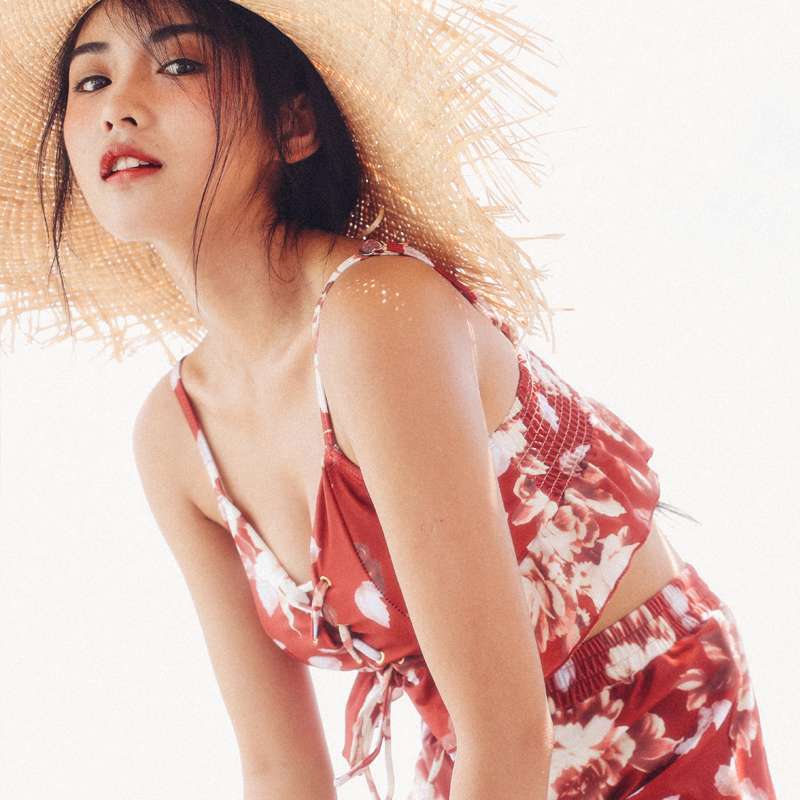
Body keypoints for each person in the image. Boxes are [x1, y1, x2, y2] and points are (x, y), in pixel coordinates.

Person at [0, 0, 777, 798]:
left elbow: (509, 734)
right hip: (477, 761)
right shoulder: (174, 437)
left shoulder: (377, 315)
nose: (118, 107)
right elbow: (279, 769)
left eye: (180, 64)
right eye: (90, 81)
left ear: (293, 125)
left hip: (657, 730)